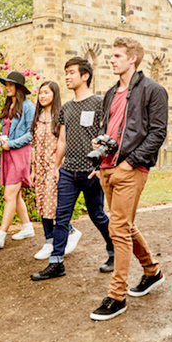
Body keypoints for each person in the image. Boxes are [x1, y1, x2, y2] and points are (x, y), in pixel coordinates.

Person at [89, 37, 168, 321]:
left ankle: (116, 296)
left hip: (131, 170)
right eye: (111, 55)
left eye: (117, 56)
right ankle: (152, 271)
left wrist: (128, 164)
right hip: (107, 169)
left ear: (132, 59)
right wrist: (100, 161)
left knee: (118, 230)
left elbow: (157, 133)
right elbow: (107, 129)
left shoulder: (152, 90)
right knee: (124, 225)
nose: (111, 60)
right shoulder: (110, 93)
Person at [31, 57, 115, 281]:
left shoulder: (99, 103)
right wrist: (57, 166)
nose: (67, 76)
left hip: (91, 171)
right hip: (68, 170)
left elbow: (107, 136)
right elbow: (62, 141)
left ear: (85, 76)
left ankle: (113, 251)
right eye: (66, 72)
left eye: (71, 72)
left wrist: (101, 166)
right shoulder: (66, 108)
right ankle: (56, 262)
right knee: (61, 216)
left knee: (97, 215)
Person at [0, 71, 35, 248]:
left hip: (20, 154)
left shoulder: (28, 106)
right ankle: (27, 227)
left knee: (9, 195)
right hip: (7, 153)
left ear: (19, 88)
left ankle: (1, 235)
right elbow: (7, 130)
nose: (7, 87)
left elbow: (31, 134)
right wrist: (2, 140)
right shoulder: (8, 106)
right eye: (6, 84)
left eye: (10, 85)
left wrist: (12, 143)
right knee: (16, 194)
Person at [29, 81, 61, 260]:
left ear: (54, 95)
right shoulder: (38, 118)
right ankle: (49, 240)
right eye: (40, 93)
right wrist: (33, 170)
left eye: (46, 93)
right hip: (39, 167)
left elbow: (63, 144)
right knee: (41, 203)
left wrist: (58, 167)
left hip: (53, 166)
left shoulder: (59, 117)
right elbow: (33, 146)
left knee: (51, 203)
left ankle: (63, 235)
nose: (42, 96)